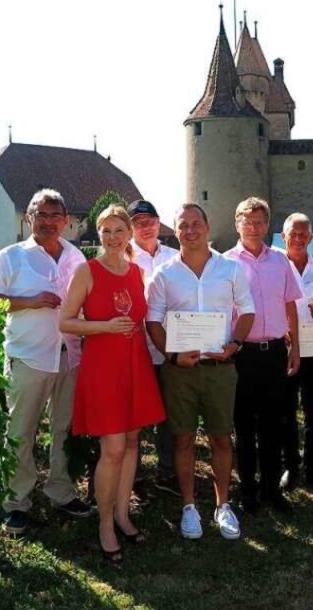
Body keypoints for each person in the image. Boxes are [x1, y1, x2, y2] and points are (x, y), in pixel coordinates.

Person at [0, 189, 93, 536]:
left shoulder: (78, 258)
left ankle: (61, 491)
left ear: (66, 220)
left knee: (65, 428)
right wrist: (27, 301)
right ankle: (17, 503)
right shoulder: (11, 257)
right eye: (39, 215)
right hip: (28, 356)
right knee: (21, 431)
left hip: (69, 355)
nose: (47, 221)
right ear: (29, 218)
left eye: (54, 215)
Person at [60, 205, 166, 562]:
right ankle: (105, 523)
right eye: (105, 231)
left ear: (129, 233)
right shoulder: (87, 271)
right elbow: (67, 322)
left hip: (134, 363)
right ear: (98, 234)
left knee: (133, 441)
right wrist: (104, 326)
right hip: (104, 367)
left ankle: (123, 514)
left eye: (118, 230)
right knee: (114, 448)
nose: (112, 237)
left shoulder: (137, 272)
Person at [146, 203, 255, 540]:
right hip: (180, 371)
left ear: (208, 227)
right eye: (183, 226)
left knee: (221, 437)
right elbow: (153, 321)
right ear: (175, 231)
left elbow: (247, 311)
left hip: (220, 367)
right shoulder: (164, 273)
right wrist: (172, 356)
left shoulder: (230, 268)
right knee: (183, 439)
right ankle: (189, 507)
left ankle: (223, 505)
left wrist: (234, 344)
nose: (190, 231)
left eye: (196, 224)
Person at [224, 197, 302, 514]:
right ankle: (248, 493)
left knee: (273, 425)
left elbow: (290, 305)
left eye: (259, 222)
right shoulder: (226, 263)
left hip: (274, 354)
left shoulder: (280, 261)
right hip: (243, 354)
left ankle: (271, 490)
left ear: (267, 225)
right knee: (244, 427)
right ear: (237, 224)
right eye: (247, 221)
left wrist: (295, 347)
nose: (253, 228)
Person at [127, 199, 179, 495]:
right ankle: (133, 474)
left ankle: (167, 470)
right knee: (135, 415)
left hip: (170, 346)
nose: (145, 227)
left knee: (168, 413)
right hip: (135, 348)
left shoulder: (176, 256)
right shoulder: (122, 256)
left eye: (149, 221)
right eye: (138, 222)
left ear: (159, 223)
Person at [278, 213, 313, 493]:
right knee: (286, 413)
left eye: (303, 235)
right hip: (284, 352)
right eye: (292, 234)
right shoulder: (275, 266)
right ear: (283, 236)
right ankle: (290, 467)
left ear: (310, 238)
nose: (297, 239)